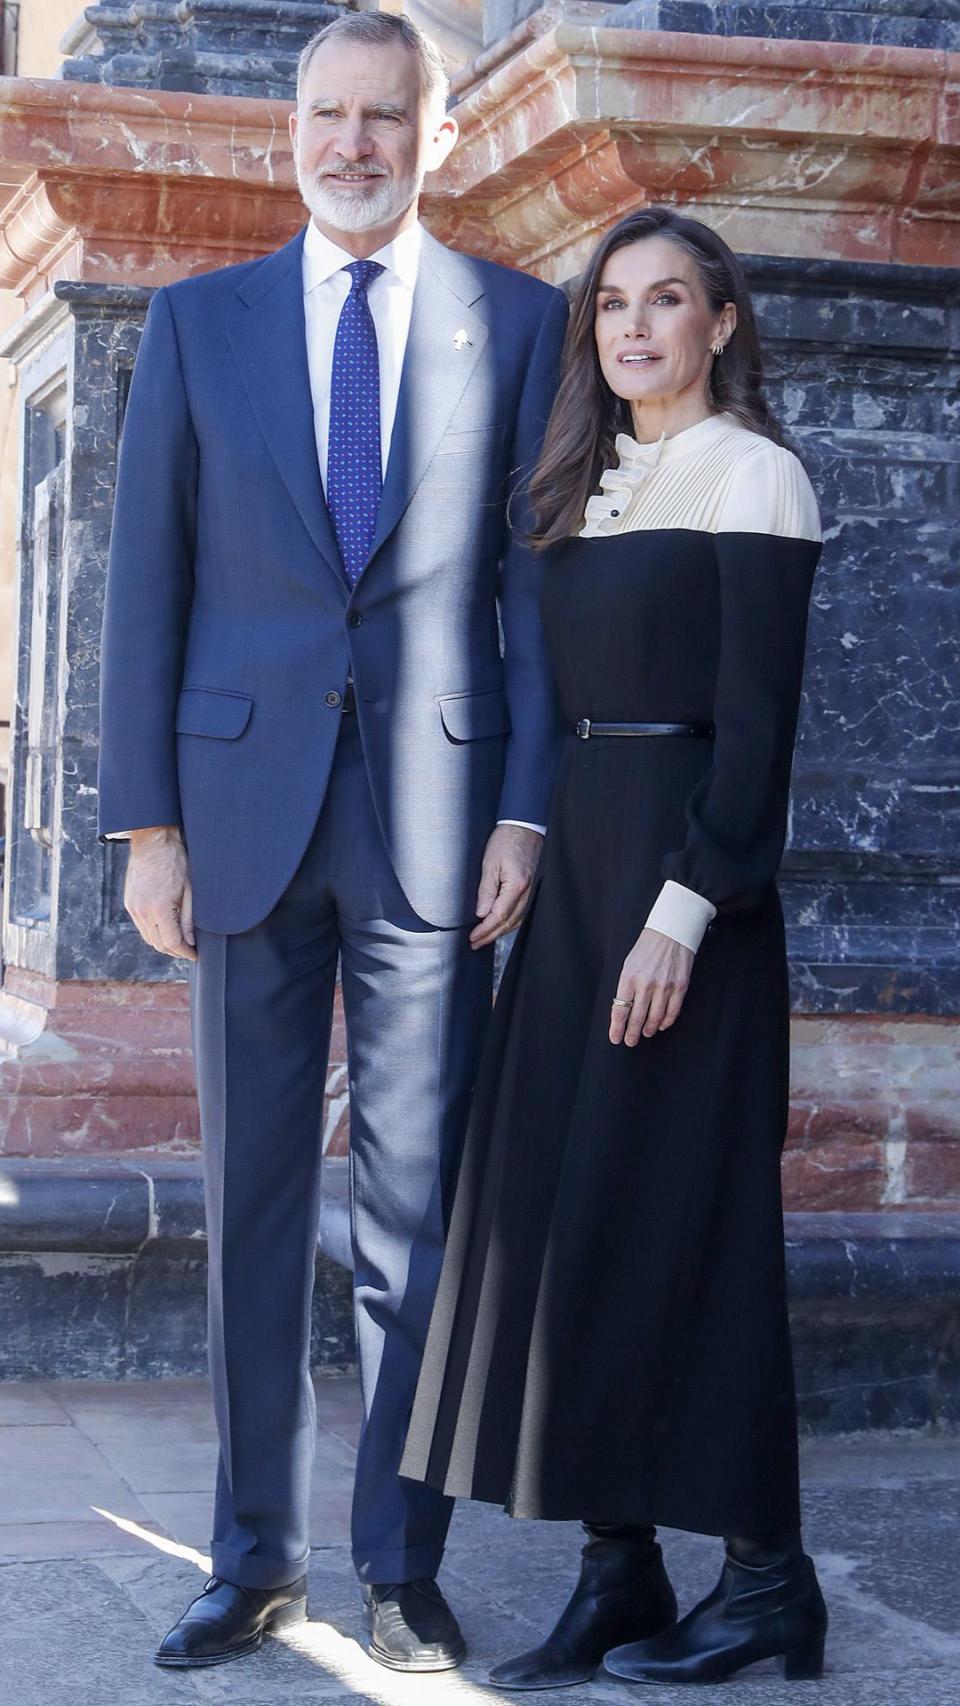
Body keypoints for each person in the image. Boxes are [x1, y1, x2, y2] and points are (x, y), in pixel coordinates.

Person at [97, 13, 567, 1675]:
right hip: (235, 818)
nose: (354, 142)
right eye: (328, 113)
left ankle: (400, 1557)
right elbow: (143, 582)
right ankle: (252, 1559)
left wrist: (528, 806)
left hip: (439, 822)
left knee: (416, 1217)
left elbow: (531, 583)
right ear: (286, 129)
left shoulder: (522, 321)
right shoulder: (195, 326)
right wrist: (144, 822)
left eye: (387, 116)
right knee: (253, 1204)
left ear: (437, 137)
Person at [400, 205, 830, 1688]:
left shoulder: (756, 477)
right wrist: (529, 846)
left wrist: (685, 913)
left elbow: (758, 740)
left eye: (668, 302)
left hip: (686, 904)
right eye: (612, 307)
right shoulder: (581, 482)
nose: (635, 327)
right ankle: (620, 1571)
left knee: (683, 1235)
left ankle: (771, 1580)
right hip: (579, 884)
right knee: (571, 1225)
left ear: (721, 322)